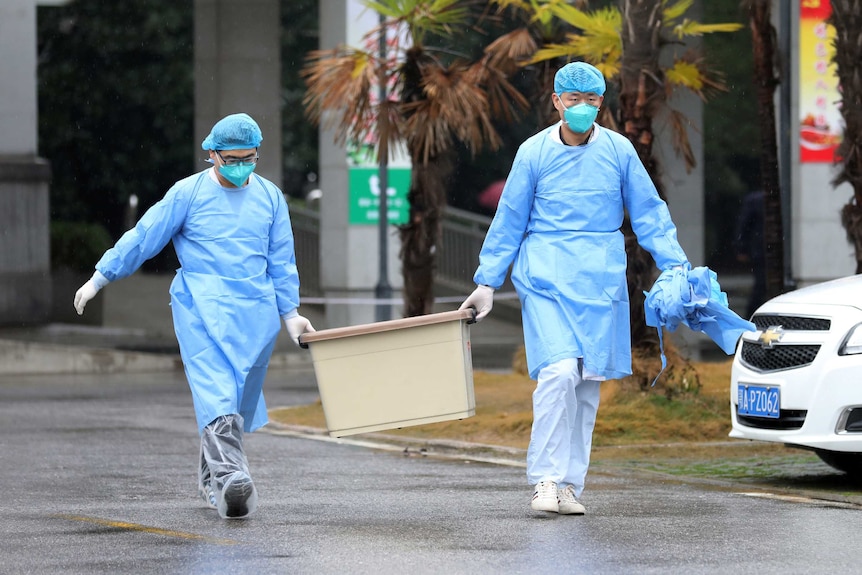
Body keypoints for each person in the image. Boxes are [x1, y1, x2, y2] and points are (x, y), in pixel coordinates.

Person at [460, 62, 692, 516]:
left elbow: (649, 212)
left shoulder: (620, 151)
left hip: (600, 278)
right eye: (572, 99)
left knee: (587, 384)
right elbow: (509, 218)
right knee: (559, 371)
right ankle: (544, 479)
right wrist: (487, 280)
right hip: (544, 274)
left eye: (590, 100)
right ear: (556, 102)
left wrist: (676, 265)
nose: (581, 108)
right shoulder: (533, 153)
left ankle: (569, 484)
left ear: (601, 104)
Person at [73, 113, 315, 520]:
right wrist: (101, 275)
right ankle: (233, 477)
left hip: (255, 313)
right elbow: (145, 235)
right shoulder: (188, 194)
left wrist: (290, 313)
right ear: (212, 155)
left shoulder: (271, 198)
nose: (240, 166)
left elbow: (282, 260)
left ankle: (212, 481)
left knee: (233, 401)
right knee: (216, 395)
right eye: (232, 159)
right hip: (200, 306)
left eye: (248, 158)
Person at [734, 190, 766, 318]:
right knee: (760, 286)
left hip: (761, 249)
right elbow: (744, 225)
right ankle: (751, 316)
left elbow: (744, 225)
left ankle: (751, 316)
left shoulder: (755, 200)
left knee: (760, 287)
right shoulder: (757, 201)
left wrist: (742, 247)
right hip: (761, 250)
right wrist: (742, 248)